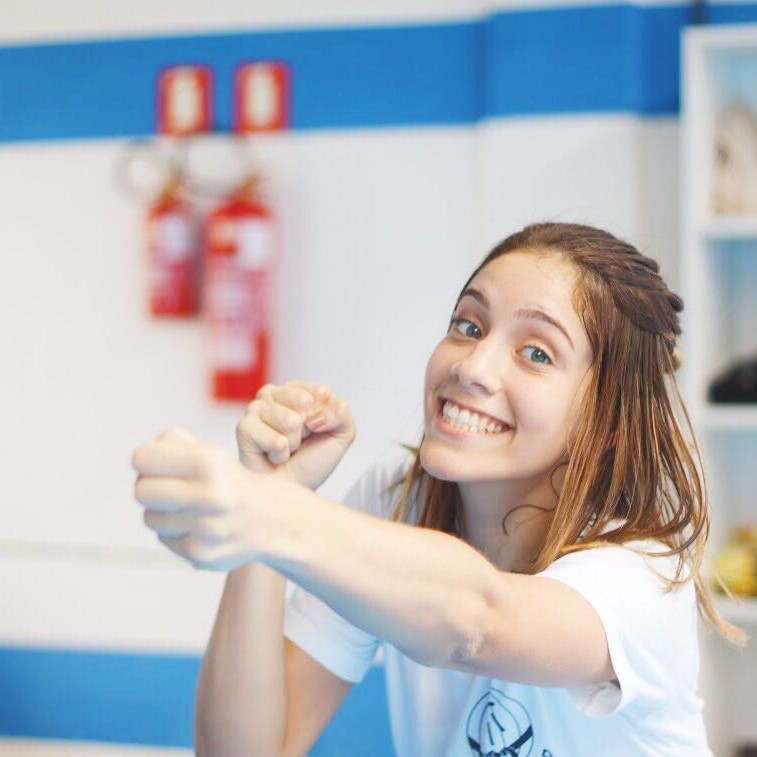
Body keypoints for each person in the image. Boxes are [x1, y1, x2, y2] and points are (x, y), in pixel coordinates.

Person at [132, 221, 746, 757]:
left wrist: (271, 513)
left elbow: (476, 624)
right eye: (468, 324)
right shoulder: (402, 501)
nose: (472, 367)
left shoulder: (639, 572)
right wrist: (267, 507)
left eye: (536, 352)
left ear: (608, 420)